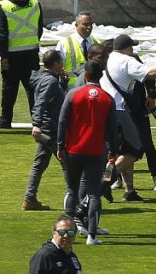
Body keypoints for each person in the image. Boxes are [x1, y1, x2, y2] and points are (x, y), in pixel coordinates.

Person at [100, 34, 156, 202]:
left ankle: (128, 190)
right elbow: (152, 73)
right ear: (126, 48)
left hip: (108, 110)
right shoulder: (126, 60)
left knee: (118, 153)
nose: (133, 50)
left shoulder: (110, 57)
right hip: (120, 111)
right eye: (131, 47)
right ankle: (105, 181)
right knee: (136, 149)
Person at [58, 60, 117, 245]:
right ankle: (92, 235)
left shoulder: (73, 94)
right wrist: (113, 151)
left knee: (72, 190)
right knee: (93, 194)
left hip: (74, 149)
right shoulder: (107, 98)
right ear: (101, 76)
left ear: (85, 75)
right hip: (95, 151)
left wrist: (60, 145)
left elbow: (62, 121)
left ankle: (66, 232)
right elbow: (113, 129)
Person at [0, 0, 43, 130]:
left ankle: (6, 120)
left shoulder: (3, 6)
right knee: (33, 88)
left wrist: (3, 56)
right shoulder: (34, 1)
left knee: (9, 88)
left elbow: (1, 36)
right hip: (31, 53)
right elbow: (39, 29)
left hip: (11, 56)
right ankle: (37, 120)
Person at [25, 50, 67, 211]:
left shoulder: (45, 79)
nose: (62, 63)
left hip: (46, 128)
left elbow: (52, 99)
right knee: (67, 163)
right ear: (56, 63)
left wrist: (63, 82)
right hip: (51, 129)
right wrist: (36, 124)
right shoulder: (49, 82)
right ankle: (75, 199)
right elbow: (41, 103)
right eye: (61, 61)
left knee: (39, 164)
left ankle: (30, 198)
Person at [56, 12, 94, 89]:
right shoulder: (64, 43)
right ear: (76, 25)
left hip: (91, 92)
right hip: (71, 91)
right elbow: (57, 69)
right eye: (85, 24)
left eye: (90, 24)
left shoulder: (96, 43)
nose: (89, 27)